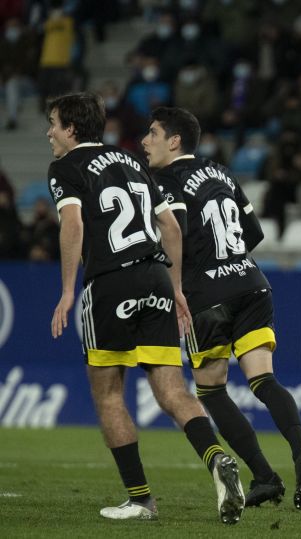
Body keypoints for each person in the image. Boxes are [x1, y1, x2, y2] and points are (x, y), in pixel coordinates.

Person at [45, 93, 244, 523]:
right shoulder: (132, 160)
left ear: (72, 130)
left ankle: (141, 499)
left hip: (111, 282)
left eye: (55, 124)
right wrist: (174, 289)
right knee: (173, 391)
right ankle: (215, 459)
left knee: (109, 394)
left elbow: (74, 223)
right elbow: (169, 225)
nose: (49, 133)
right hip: (155, 276)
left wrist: (66, 291)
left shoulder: (66, 168)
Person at [141, 107, 301, 510]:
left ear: (174, 140)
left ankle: (265, 476)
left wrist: (174, 281)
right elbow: (253, 231)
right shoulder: (220, 172)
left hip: (207, 296)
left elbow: (176, 233)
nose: (144, 141)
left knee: (211, 390)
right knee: (264, 381)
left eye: (152, 133)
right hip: (252, 284)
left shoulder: (165, 180)